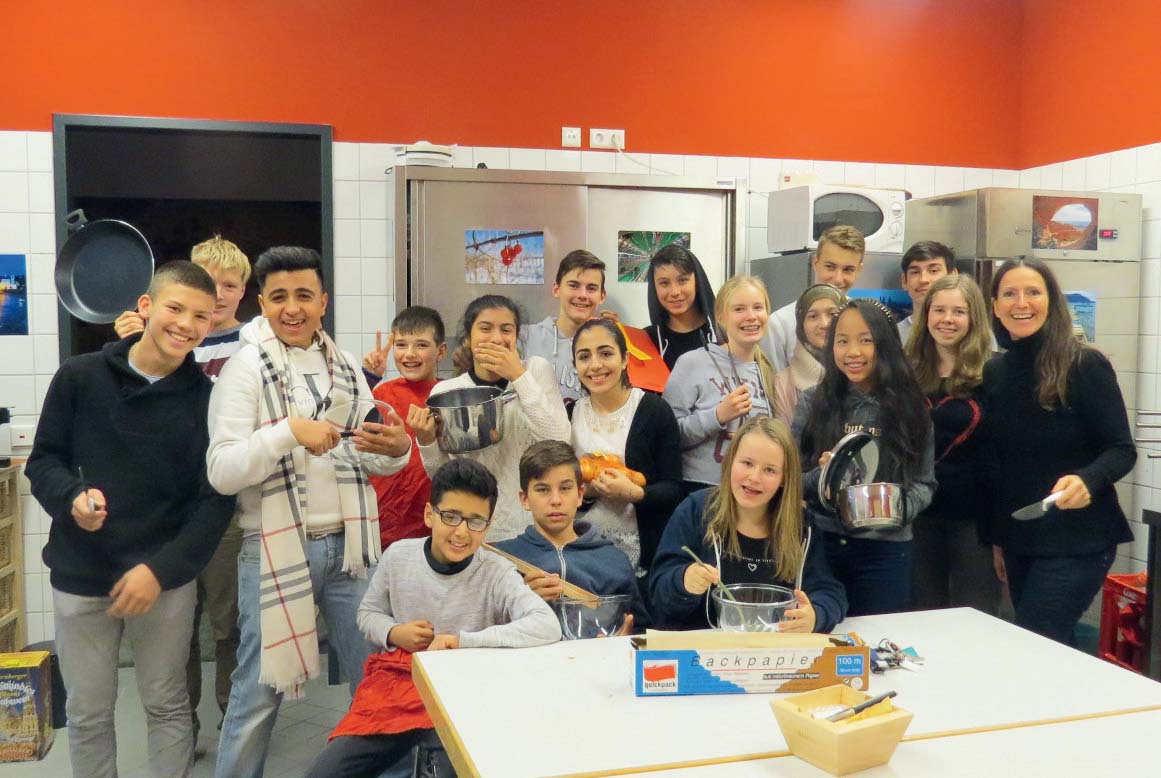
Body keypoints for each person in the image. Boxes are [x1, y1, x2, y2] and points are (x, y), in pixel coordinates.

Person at [207, 246, 413, 778]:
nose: (292, 308)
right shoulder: (244, 367)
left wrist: (397, 450)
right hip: (274, 546)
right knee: (257, 691)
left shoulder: (344, 366)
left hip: (352, 549)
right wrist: (287, 432)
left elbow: (369, 455)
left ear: (324, 301)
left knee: (376, 679)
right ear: (262, 303)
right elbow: (222, 470)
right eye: (279, 297)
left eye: (304, 295)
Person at [25, 261, 235, 778]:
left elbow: (214, 502)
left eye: (201, 316)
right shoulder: (81, 377)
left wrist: (159, 572)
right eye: (175, 308)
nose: (186, 324)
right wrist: (72, 498)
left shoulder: (208, 402)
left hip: (163, 584)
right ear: (146, 306)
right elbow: (44, 461)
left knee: (167, 704)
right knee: (88, 712)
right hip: (81, 575)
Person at [306, 459, 561, 778]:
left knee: (448, 765)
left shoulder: (496, 571)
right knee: (325, 772)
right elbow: (367, 614)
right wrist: (394, 632)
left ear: (488, 526)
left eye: (475, 521)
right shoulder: (399, 555)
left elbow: (546, 624)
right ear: (430, 514)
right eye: (450, 516)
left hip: (468, 691)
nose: (461, 532)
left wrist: (462, 641)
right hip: (401, 681)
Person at [113, 235, 252, 738]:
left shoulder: (255, 343)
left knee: (230, 623)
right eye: (207, 283)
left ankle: (234, 722)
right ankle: (181, 724)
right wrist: (132, 342)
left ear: (243, 292)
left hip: (227, 505)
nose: (217, 295)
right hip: (168, 503)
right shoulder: (162, 336)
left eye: (229, 286)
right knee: (178, 629)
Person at [981, 259, 1135, 645]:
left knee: (1038, 639)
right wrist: (999, 540)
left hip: (1078, 538)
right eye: (1010, 293)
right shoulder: (995, 372)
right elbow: (1003, 465)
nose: (1021, 303)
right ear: (995, 305)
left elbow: (1121, 449)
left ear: (1052, 301)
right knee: (1045, 647)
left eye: (1033, 292)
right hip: (1020, 538)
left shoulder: (1084, 364)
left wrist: (1088, 479)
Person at [795, 299, 935, 616]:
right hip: (823, 545)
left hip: (887, 551)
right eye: (842, 341)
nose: (853, 352)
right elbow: (789, 481)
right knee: (823, 635)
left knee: (879, 636)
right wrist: (824, 476)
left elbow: (925, 483)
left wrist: (896, 510)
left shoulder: (912, 408)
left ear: (885, 345)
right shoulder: (812, 402)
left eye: (865, 340)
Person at [648, 417, 847, 632]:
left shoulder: (801, 526)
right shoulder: (696, 511)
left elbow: (829, 592)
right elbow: (658, 590)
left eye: (769, 470)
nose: (754, 477)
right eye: (747, 463)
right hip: (701, 645)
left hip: (774, 646)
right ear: (730, 461)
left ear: (784, 478)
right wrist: (683, 581)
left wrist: (815, 615)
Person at [408, 294, 571, 542]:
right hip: (475, 530)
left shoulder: (535, 371)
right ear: (468, 337)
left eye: (506, 330)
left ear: (516, 336)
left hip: (534, 528)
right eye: (485, 328)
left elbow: (559, 441)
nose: (496, 338)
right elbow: (443, 475)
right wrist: (426, 440)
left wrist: (518, 376)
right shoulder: (448, 392)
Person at [905, 274, 999, 615]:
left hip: (974, 520)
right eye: (939, 310)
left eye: (958, 311)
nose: (947, 319)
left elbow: (1002, 452)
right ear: (926, 314)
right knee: (920, 615)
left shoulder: (994, 373)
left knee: (975, 616)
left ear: (973, 318)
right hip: (916, 517)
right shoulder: (906, 371)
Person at [569, 318, 683, 574]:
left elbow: (674, 489)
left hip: (642, 557)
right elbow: (562, 487)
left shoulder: (654, 411)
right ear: (575, 365)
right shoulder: (570, 414)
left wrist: (634, 493)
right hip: (582, 552)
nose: (595, 365)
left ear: (624, 359)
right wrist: (588, 492)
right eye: (584, 356)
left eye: (605, 353)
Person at [495, 440, 640, 630]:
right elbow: (482, 629)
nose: (555, 500)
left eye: (565, 488)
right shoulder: (502, 560)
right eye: (542, 490)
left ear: (580, 495)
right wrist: (519, 601)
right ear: (525, 499)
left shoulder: (614, 561)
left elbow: (640, 629)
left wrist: (622, 639)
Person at [664, 275, 778, 493]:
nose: (751, 316)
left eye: (758, 307)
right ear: (721, 317)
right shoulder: (693, 362)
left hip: (751, 491)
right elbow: (667, 436)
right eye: (739, 309)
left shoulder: (767, 371)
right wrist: (717, 416)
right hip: (701, 490)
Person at [362, 307, 448, 551]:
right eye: (401, 345)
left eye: (421, 345)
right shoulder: (381, 394)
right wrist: (368, 377)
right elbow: (346, 424)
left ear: (441, 351)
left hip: (431, 522)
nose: (410, 354)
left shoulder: (448, 396)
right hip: (382, 521)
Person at [764, 225, 866, 370]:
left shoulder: (864, 319)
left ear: (859, 270)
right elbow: (773, 381)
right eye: (830, 267)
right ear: (815, 263)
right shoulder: (780, 325)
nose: (838, 279)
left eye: (848, 270)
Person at [518, 249, 608, 406]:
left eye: (592, 288)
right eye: (574, 285)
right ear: (556, 289)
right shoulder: (525, 336)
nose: (583, 295)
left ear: (602, 296)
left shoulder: (609, 348)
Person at [772, 284, 844, 429]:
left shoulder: (859, 373)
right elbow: (784, 440)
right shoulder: (782, 384)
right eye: (813, 316)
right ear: (801, 324)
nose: (824, 324)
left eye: (832, 314)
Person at [642, 244, 719, 370]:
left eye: (682, 280)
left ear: (697, 282)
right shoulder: (646, 340)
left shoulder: (723, 334)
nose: (675, 292)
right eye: (664, 283)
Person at [897, 240, 956, 343]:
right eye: (915, 272)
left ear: (953, 276)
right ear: (904, 281)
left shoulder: (972, 333)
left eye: (933, 271)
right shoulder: (893, 336)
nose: (923, 279)